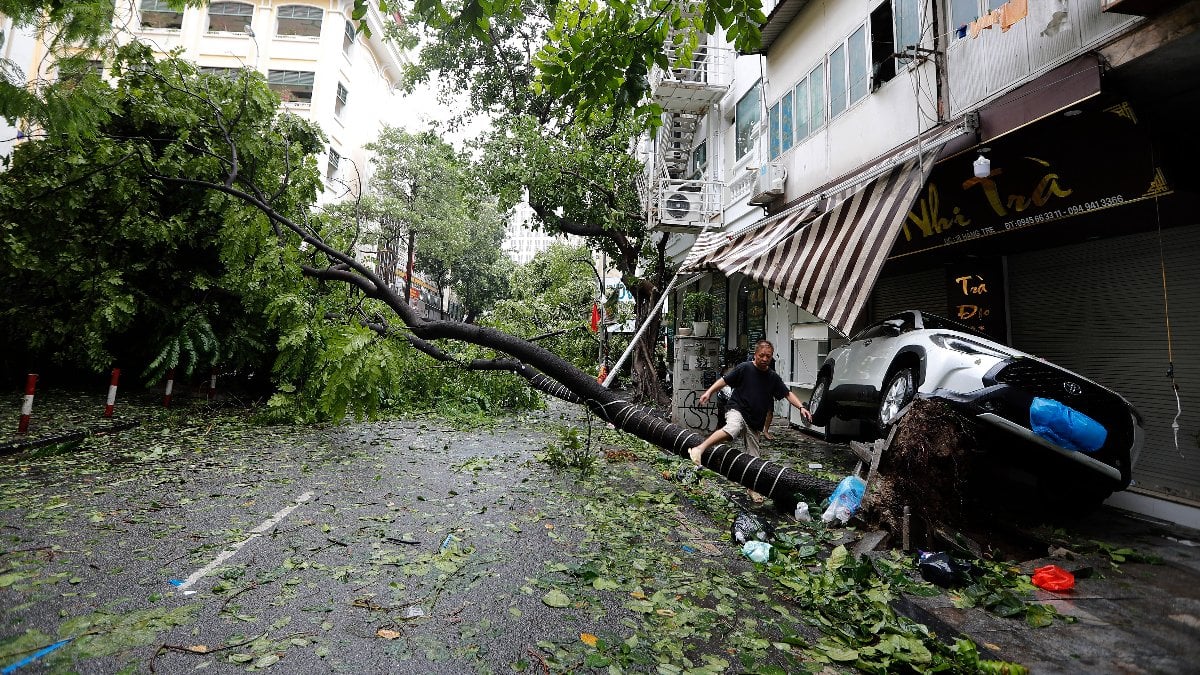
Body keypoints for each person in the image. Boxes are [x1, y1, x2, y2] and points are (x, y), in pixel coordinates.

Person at [689, 340, 813, 503]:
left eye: (768, 356)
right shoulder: (744, 368)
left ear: (771, 357)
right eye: (761, 355)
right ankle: (699, 449)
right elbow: (724, 380)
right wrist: (709, 392)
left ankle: (752, 489)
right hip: (737, 409)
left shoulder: (772, 377)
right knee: (733, 428)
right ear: (755, 355)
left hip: (755, 421)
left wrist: (800, 408)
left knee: (755, 460)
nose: (764, 359)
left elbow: (787, 394)